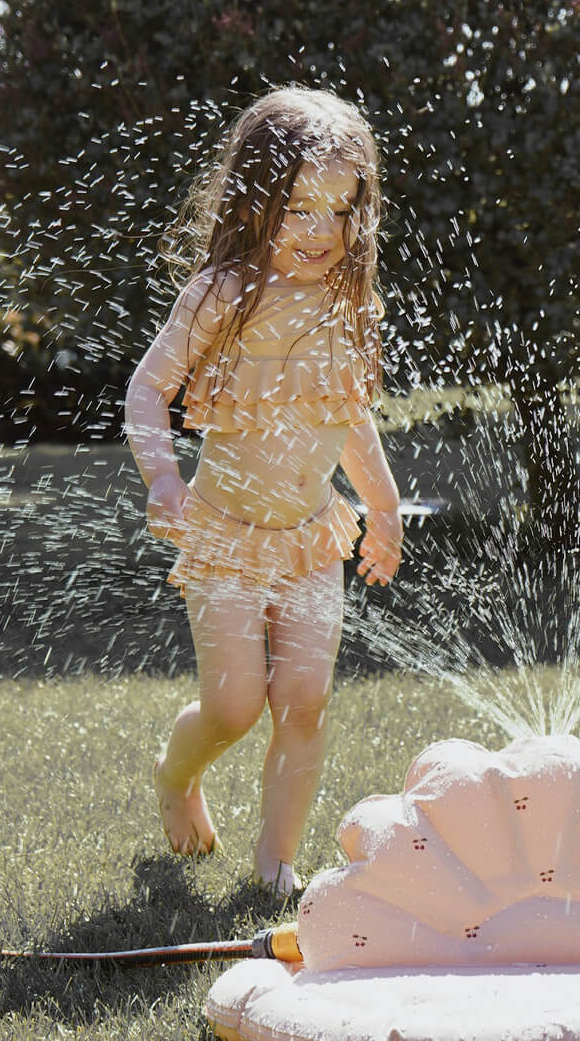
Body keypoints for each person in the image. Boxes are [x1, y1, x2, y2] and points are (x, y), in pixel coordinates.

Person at [124, 86, 402, 895]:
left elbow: (346, 415)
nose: (319, 230)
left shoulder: (346, 305)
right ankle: (177, 776)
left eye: (338, 211)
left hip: (311, 537)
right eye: (298, 209)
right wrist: (164, 476)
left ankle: (274, 864)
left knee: (306, 701)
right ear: (256, 201)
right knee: (235, 707)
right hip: (225, 536)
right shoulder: (221, 294)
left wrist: (381, 505)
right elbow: (148, 391)